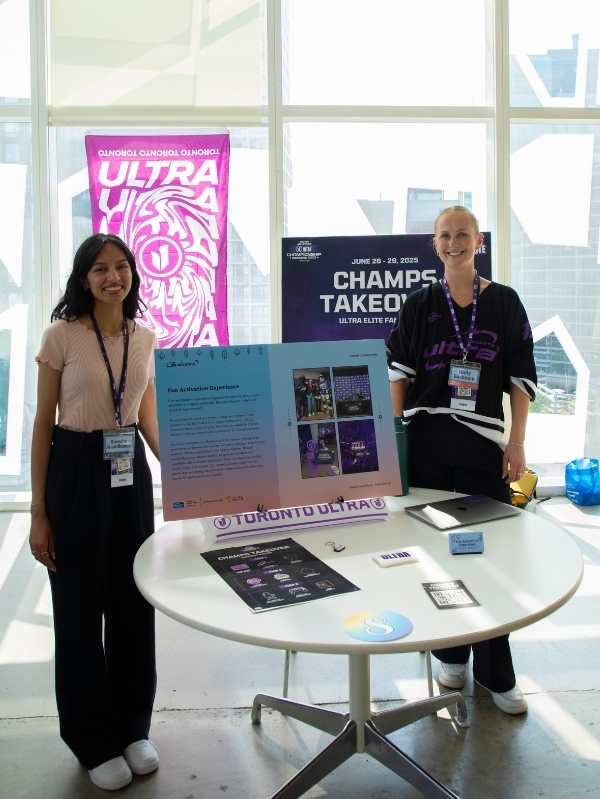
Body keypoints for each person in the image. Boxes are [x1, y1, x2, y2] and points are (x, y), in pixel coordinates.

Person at [387, 206, 537, 716]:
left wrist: (516, 443)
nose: (454, 243)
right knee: (434, 554)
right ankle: (449, 652)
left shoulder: (505, 303)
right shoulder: (419, 304)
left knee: (488, 558)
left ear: (478, 242)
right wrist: (392, 440)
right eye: (445, 235)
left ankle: (497, 675)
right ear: (435, 244)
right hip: (428, 440)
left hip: (482, 446)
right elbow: (398, 373)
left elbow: (519, 380)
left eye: (463, 235)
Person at [29, 234, 161, 790]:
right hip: (76, 466)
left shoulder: (144, 337)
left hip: (128, 465)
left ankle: (133, 727)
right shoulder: (62, 336)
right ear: (83, 278)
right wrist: (39, 511)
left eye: (122, 266)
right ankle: (92, 738)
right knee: (80, 607)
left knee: (134, 601)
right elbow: (42, 421)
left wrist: (191, 480)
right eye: (101, 268)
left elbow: (147, 415)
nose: (114, 276)